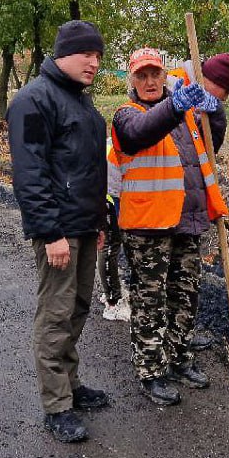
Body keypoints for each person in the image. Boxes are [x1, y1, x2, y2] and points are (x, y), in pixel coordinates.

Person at [110, 48, 229, 406]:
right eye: (141, 75)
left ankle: (180, 359)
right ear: (131, 80)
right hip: (147, 227)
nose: (149, 82)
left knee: (185, 296)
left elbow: (212, 148)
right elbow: (143, 133)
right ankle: (151, 372)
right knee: (149, 301)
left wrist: (216, 113)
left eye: (155, 74)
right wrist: (176, 106)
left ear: (165, 75)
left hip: (186, 219)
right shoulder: (126, 116)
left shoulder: (186, 114)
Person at [6, 20, 110, 443]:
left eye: (99, 56)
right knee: (56, 314)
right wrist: (50, 233)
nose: (94, 62)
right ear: (63, 53)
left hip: (85, 226)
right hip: (59, 230)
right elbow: (30, 174)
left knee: (79, 308)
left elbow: (88, 168)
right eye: (87, 53)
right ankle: (56, 405)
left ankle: (70, 382)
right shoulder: (33, 101)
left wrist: (99, 222)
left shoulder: (80, 102)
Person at [98, 136, 130, 322]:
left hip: (109, 194)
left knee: (109, 246)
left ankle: (110, 291)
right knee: (109, 247)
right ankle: (113, 302)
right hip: (109, 198)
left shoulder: (112, 140)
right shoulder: (117, 146)